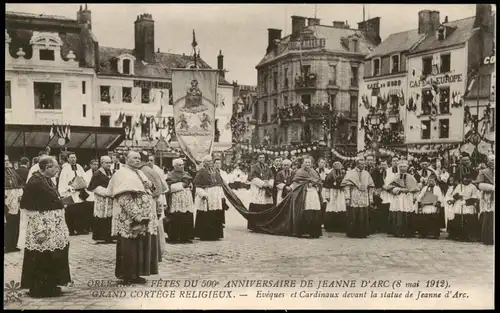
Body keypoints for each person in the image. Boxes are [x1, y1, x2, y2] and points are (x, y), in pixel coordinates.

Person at [95, 151, 159, 285]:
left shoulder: (139, 172)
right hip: (129, 217)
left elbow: (150, 189)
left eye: (139, 158)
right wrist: (136, 215)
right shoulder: (121, 173)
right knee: (128, 246)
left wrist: (150, 186)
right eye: (134, 158)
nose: (137, 160)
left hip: (142, 216)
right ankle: (127, 275)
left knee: (139, 245)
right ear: (126, 159)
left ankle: (136, 274)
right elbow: (123, 197)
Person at [20, 156, 71, 298]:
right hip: (42, 226)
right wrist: (39, 230)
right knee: (42, 256)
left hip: (53, 225)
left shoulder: (47, 179)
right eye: (56, 167)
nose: (58, 169)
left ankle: (51, 285)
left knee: (52, 255)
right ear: (48, 167)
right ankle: (39, 288)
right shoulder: (35, 182)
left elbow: (52, 199)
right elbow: (31, 208)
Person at [138, 154, 168, 260]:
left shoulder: (143, 171)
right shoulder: (151, 170)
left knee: (150, 227)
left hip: (149, 201)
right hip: (156, 199)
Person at [447, 152, 480, 242]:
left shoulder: (474, 171)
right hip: (460, 192)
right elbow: (455, 181)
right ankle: (456, 233)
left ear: (470, 161)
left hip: (471, 194)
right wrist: (459, 187)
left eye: (467, 160)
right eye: (463, 161)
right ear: (461, 161)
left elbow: (477, 181)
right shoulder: (458, 170)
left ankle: (471, 234)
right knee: (457, 214)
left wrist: (471, 183)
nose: (465, 162)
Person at [340, 157, 375, 238]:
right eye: (361, 164)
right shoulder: (350, 173)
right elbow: (346, 186)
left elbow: (371, 186)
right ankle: (353, 232)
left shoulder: (367, 173)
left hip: (364, 195)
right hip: (354, 194)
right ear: (357, 164)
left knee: (363, 213)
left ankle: (363, 232)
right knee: (354, 213)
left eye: (363, 164)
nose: (363, 165)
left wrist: (370, 198)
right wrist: (347, 198)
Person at [385, 159, 420, 238]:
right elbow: (389, 187)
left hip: (408, 197)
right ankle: (398, 231)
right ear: (398, 167)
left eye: (404, 166)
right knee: (398, 211)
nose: (402, 168)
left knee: (408, 211)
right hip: (398, 197)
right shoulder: (395, 177)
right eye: (401, 166)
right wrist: (399, 189)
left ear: (407, 167)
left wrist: (414, 196)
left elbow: (416, 189)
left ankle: (408, 231)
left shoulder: (411, 177)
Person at [193, 155, 225, 241]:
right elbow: (197, 186)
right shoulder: (201, 172)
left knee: (215, 213)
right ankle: (205, 235)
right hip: (207, 195)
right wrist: (203, 194)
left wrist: (221, 196)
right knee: (205, 214)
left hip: (216, 196)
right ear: (204, 163)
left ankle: (215, 234)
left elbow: (219, 184)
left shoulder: (216, 171)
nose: (210, 163)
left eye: (211, 161)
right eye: (208, 161)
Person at [290, 156, 323, 238]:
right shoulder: (299, 172)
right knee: (305, 209)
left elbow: (319, 181)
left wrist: (315, 184)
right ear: (303, 163)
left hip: (313, 192)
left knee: (314, 209)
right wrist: (306, 183)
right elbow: (296, 182)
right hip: (304, 193)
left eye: (309, 162)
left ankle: (314, 232)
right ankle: (303, 231)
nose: (308, 164)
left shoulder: (314, 171)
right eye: (306, 162)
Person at [58, 152, 89, 236]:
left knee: (80, 212)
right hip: (71, 193)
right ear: (67, 159)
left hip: (80, 193)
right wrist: (70, 187)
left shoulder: (79, 167)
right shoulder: (65, 169)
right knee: (71, 212)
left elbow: (85, 177)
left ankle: (80, 229)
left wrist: (83, 184)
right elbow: (63, 181)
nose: (73, 159)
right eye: (71, 158)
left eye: (74, 157)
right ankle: (71, 230)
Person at [165, 158, 195, 243]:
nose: (182, 166)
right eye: (179, 165)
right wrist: (181, 185)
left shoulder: (186, 173)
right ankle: (174, 237)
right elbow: (169, 187)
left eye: (182, 165)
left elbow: (190, 184)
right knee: (176, 217)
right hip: (176, 199)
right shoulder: (171, 175)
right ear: (174, 166)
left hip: (186, 198)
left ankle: (186, 236)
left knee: (187, 216)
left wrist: (187, 185)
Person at [87, 156, 114, 243]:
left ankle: (108, 236)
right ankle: (99, 237)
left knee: (109, 216)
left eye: (110, 163)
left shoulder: (110, 171)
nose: (109, 164)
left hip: (110, 199)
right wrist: (104, 192)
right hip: (101, 198)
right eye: (107, 163)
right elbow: (93, 186)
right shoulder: (97, 173)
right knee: (100, 216)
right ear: (102, 163)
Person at [247, 154, 274, 231]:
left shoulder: (267, 167)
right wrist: (263, 184)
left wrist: (269, 184)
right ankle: (255, 226)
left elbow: (271, 176)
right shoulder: (254, 167)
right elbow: (252, 177)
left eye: (263, 158)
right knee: (257, 205)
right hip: (257, 188)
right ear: (257, 158)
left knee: (266, 205)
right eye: (260, 157)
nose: (262, 159)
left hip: (266, 189)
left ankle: (265, 224)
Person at [5, 155, 24, 252]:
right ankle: (7, 245)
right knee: (7, 224)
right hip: (6, 202)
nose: (6, 162)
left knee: (15, 222)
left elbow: (20, 184)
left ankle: (13, 244)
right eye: (4, 161)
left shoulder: (13, 172)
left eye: (7, 160)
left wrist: (20, 194)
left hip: (15, 201)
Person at [415, 174, 443, 239]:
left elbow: (440, 197)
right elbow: (420, 196)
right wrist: (420, 201)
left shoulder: (437, 188)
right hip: (425, 206)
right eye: (429, 181)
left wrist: (437, 202)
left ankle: (434, 234)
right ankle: (424, 233)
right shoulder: (425, 188)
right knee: (424, 220)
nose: (431, 182)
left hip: (433, 206)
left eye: (432, 181)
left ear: (435, 181)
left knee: (434, 220)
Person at [474, 154, 494, 245]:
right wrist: (492, 187)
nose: (493, 162)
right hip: (489, 196)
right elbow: (479, 185)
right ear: (487, 162)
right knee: (489, 216)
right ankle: (488, 238)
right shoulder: (483, 172)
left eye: (494, 160)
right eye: (491, 160)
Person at [323, 161, 347, 233]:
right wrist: (327, 196)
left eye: (339, 165)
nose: (338, 166)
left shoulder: (343, 174)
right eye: (336, 165)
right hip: (332, 192)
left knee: (341, 207)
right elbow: (326, 186)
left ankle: (341, 227)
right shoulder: (330, 175)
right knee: (332, 207)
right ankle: (331, 227)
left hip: (340, 193)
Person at [370, 159, 390, 234]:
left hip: (387, 192)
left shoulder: (390, 172)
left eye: (384, 164)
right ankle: (379, 227)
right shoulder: (377, 171)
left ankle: (385, 227)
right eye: (382, 164)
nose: (383, 166)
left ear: (387, 165)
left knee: (386, 208)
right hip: (379, 192)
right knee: (380, 209)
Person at [83, 159, 99, 235]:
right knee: (89, 213)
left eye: (97, 164)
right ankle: (87, 227)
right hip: (89, 195)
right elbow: (86, 184)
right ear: (91, 165)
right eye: (94, 164)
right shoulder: (86, 174)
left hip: (97, 194)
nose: (96, 166)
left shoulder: (99, 173)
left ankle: (94, 227)